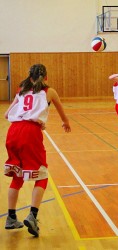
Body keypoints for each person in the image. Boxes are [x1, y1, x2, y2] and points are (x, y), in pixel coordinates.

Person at [4, 64, 71, 237]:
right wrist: (65, 123)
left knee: (16, 174)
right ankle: (33, 215)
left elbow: (6, 115)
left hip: (13, 132)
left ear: (30, 76)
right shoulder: (50, 91)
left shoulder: (21, 90)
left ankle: (11, 217)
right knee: (42, 176)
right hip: (30, 133)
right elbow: (62, 112)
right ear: (45, 77)